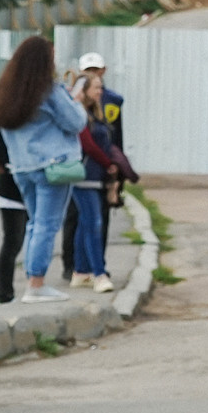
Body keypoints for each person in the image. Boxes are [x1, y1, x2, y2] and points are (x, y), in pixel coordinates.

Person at [0, 37, 86, 304]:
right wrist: (74, 99)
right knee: (47, 224)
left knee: (35, 224)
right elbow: (76, 122)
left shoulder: (6, 92)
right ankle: (36, 284)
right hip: (52, 166)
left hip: (21, 167)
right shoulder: (48, 90)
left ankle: (33, 280)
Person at [65, 73, 134, 294]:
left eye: (101, 88)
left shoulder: (97, 114)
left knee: (86, 223)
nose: (100, 92)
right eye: (96, 88)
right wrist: (108, 164)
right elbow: (88, 145)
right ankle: (99, 274)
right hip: (84, 176)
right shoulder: (79, 114)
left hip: (95, 177)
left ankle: (81, 271)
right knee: (94, 223)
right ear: (83, 91)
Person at [0, 125, 23, 305]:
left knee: (16, 242)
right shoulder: (3, 119)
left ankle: (3, 291)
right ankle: (2, 292)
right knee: (13, 241)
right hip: (11, 189)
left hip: (25, 187)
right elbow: (4, 157)